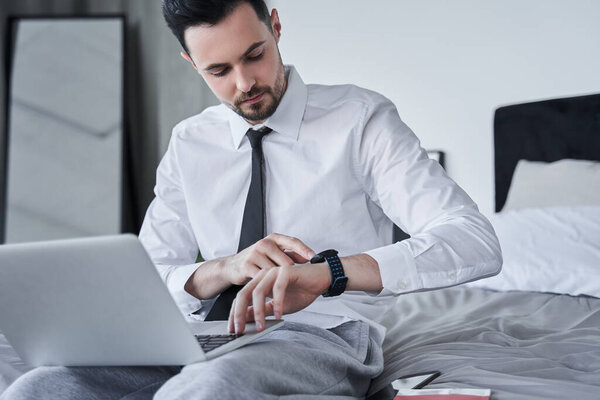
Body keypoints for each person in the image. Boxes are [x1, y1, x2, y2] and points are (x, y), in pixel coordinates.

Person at [1, 0, 502, 399]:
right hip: (196, 336)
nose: (244, 85)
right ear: (190, 62)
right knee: (38, 388)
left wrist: (329, 273)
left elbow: (473, 240)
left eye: (255, 55)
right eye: (218, 70)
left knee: (202, 393)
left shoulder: (361, 119)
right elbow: (152, 269)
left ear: (276, 26)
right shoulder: (189, 142)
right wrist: (221, 270)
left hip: (324, 332)